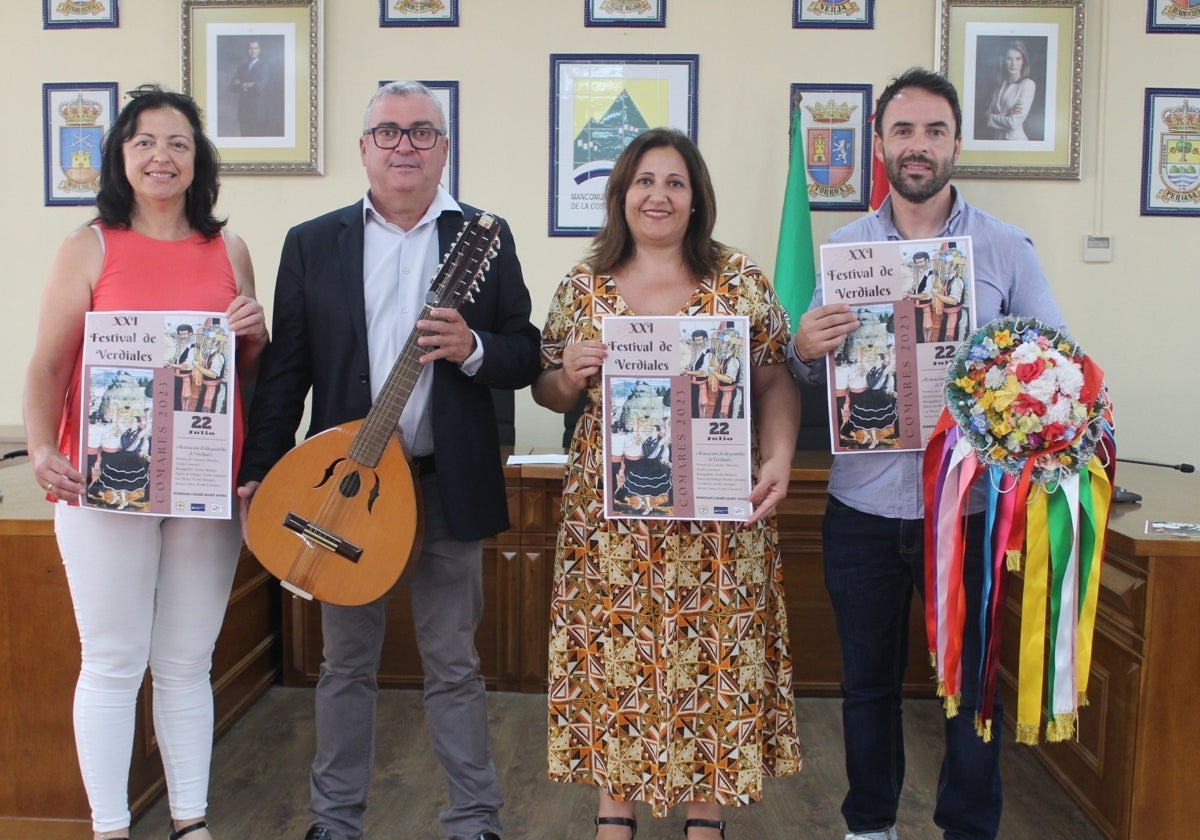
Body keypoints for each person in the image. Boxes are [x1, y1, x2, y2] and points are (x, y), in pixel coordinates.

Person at [236, 80, 540, 840]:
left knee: (454, 665)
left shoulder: (484, 237)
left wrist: (473, 349)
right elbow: (286, 374)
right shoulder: (314, 242)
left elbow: (527, 352)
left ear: (444, 146)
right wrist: (259, 473)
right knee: (344, 667)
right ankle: (335, 823)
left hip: (444, 488)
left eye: (421, 132)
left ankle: (475, 823)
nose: (405, 145)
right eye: (389, 132)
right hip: (343, 494)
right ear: (364, 148)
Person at [786, 67, 1064, 840]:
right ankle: (869, 825)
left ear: (956, 144)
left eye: (933, 131)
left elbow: (1056, 364)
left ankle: (969, 830)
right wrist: (804, 345)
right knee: (866, 684)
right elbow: (808, 366)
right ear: (879, 144)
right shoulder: (842, 249)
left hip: (970, 510)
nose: (918, 146)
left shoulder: (1006, 249)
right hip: (863, 507)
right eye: (903, 131)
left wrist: (1013, 381)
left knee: (971, 688)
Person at [533, 127, 802, 840]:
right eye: (644, 181)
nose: (659, 195)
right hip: (610, 523)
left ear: (695, 199)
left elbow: (775, 376)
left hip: (718, 517)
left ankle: (704, 821)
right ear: (621, 196)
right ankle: (614, 816)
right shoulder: (581, 287)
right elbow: (548, 390)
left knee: (712, 658)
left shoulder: (738, 280)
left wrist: (777, 458)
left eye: (675, 182)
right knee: (614, 659)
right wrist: (568, 375)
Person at [23, 83, 268, 840]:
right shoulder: (88, 246)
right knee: (113, 661)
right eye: (144, 143)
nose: (161, 156)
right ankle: (110, 827)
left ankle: (191, 822)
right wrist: (39, 446)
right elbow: (46, 367)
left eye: (178, 143)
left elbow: (245, 378)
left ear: (199, 161)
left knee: (189, 661)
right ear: (120, 157)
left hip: (204, 483)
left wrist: (254, 335)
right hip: (105, 486)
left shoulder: (230, 249)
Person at [982, 40, 1035, 141]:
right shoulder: (999, 87)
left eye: (1017, 59)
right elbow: (985, 117)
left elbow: (1013, 123)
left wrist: (991, 117)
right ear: (1004, 60)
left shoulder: (1027, 85)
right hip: (996, 142)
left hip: (1016, 142)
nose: (1013, 63)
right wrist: (1006, 115)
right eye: (1009, 59)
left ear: (1023, 61)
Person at [227, 39, 274, 137]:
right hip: (244, 112)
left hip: (258, 113)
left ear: (259, 50)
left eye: (255, 48)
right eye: (250, 48)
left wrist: (241, 84)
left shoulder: (264, 67)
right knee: (244, 139)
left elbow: (259, 87)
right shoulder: (242, 68)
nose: (253, 51)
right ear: (247, 50)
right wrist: (249, 84)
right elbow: (232, 87)